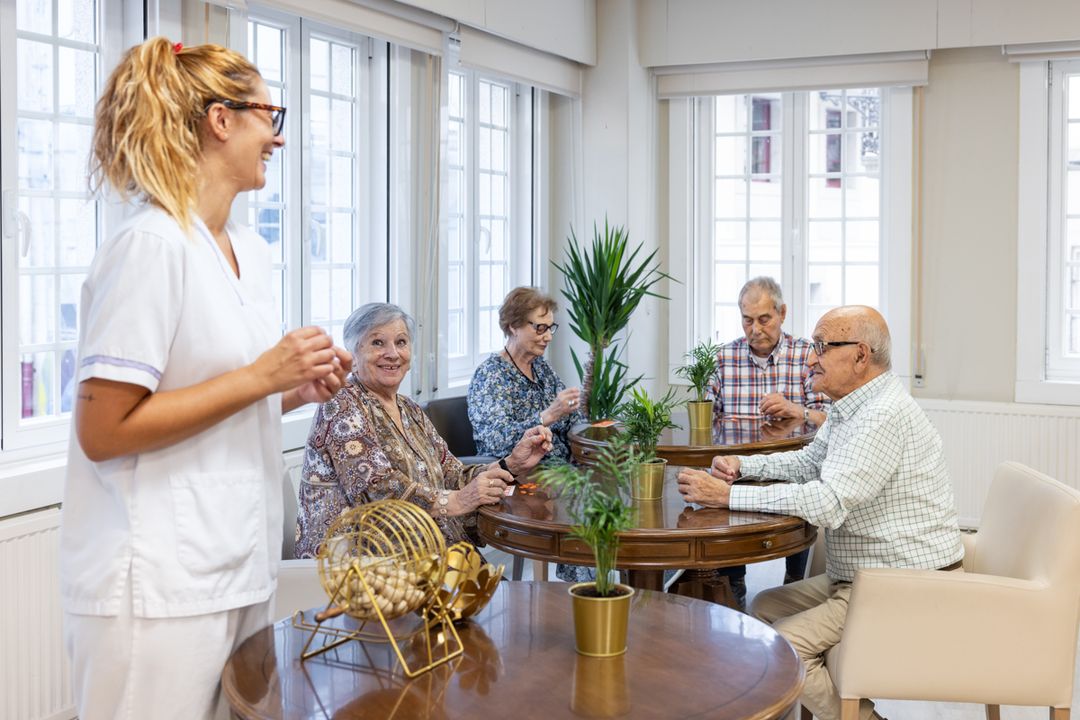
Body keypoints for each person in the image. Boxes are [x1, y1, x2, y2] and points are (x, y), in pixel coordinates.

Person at [61, 38, 352, 720]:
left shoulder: (248, 249)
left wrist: (289, 389)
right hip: (157, 584)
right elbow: (103, 430)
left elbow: (213, 395)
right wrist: (261, 375)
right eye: (269, 116)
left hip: (237, 564)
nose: (277, 138)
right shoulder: (150, 245)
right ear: (221, 120)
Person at [677, 305, 963, 720]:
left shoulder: (881, 415)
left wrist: (728, 497)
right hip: (862, 577)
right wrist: (743, 466)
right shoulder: (853, 407)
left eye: (822, 347)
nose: (811, 358)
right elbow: (809, 462)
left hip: (901, 584)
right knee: (763, 608)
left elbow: (827, 502)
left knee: (787, 642)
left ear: (860, 355)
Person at [295, 303, 554, 557]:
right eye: (377, 343)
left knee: (505, 585)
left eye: (401, 342)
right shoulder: (341, 403)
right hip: (364, 565)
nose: (392, 353)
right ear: (353, 356)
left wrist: (512, 463)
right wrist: (457, 501)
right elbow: (377, 488)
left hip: (426, 551)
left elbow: (452, 474)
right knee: (501, 586)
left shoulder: (409, 409)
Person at [707, 276, 831, 605]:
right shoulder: (724, 358)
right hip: (739, 469)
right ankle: (733, 584)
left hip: (794, 469)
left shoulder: (806, 355)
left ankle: (794, 582)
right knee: (721, 490)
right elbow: (704, 419)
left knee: (797, 560)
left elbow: (831, 420)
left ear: (782, 313)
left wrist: (797, 410)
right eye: (747, 320)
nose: (756, 329)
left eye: (764, 319)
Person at [467, 287, 585, 463]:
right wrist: (548, 415)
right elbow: (496, 441)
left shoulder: (541, 367)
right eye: (540, 328)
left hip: (562, 467)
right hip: (523, 471)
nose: (548, 337)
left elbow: (572, 419)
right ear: (514, 326)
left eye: (550, 328)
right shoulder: (490, 375)